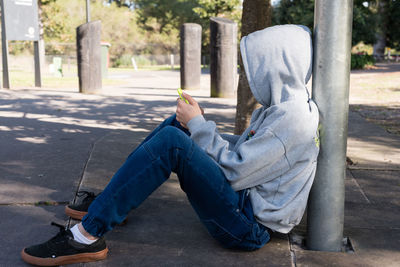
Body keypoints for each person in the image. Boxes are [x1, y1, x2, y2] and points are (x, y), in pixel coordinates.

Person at [21, 24, 319, 266]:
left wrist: (200, 126)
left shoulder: (292, 120)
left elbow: (236, 171)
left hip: (248, 227)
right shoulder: (279, 109)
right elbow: (248, 153)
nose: (248, 73)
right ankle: (111, 204)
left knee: (174, 142)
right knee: (178, 127)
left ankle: (85, 237)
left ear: (277, 66)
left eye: (255, 66)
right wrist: (196, 124)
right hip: (244, 204)